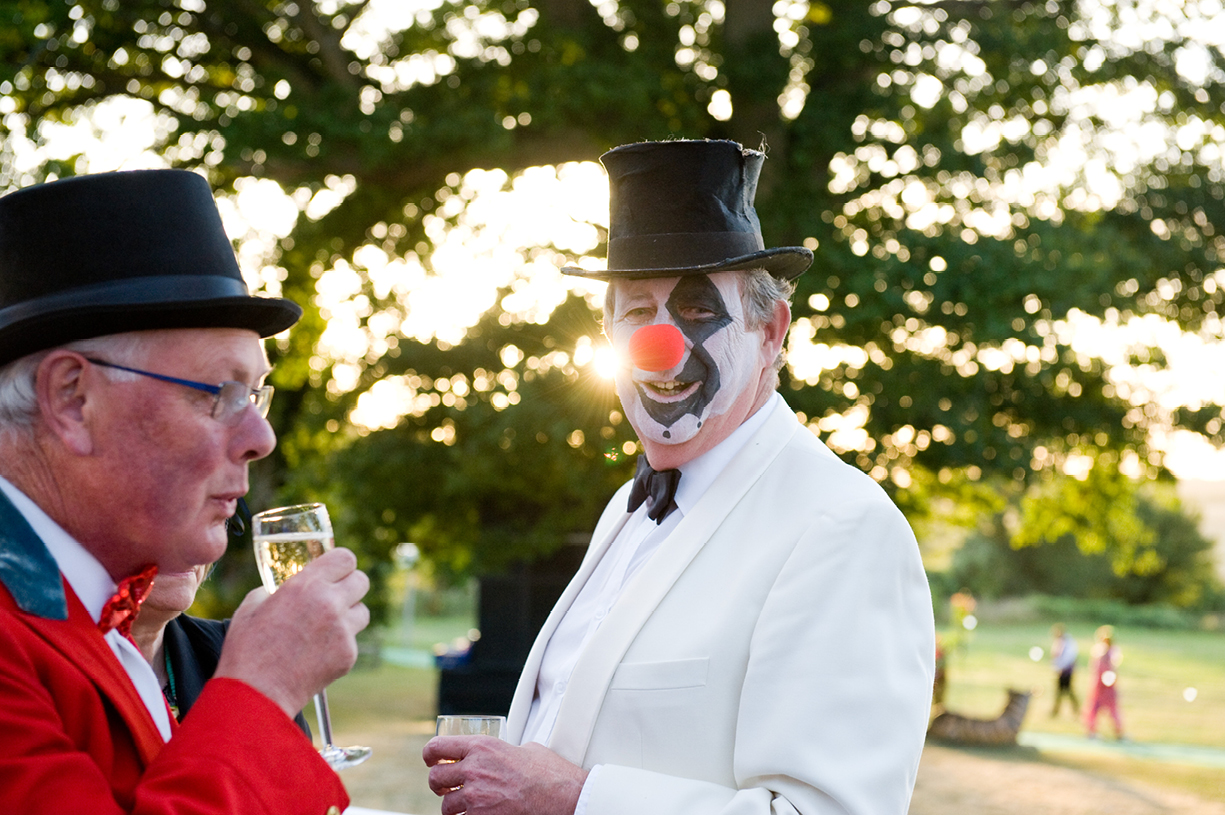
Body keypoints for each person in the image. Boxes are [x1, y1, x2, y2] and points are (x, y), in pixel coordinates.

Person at [423, 139, 935, 815]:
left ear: (770, 330)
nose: (659, 347)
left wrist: (576, 799)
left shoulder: (842, 526)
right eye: (635, 312)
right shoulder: (625, 508)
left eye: (697, 311)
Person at [0, 169, 370, 814]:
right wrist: (261, 691)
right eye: (220, 394)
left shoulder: (87, 615)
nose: (261, 437)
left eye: (256, 396)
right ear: (73, 399)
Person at [128, 499, 311, 736]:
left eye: (214, 518)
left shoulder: (247, 657)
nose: (197, 544)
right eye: (166, 514)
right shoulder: (68, 672)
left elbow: (293, 770)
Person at [1084, 624, 1124, 740]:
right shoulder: (1100, 650)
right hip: (1099, 684)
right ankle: (1091, 731)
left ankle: (1118, 732)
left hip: (1107, 684)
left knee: (1110, 708)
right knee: (1095, 708)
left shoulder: (1110, 651)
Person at [1048, 623, 1080, 717]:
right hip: (1061, 670)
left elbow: (1069, 657)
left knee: (1068, 691)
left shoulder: (1068, 642)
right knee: (1059, 692)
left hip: (1066, 671)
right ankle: (1056, 711)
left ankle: (1075, 709)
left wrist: (1061, 667)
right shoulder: (1059, 642)